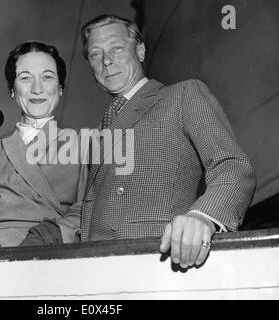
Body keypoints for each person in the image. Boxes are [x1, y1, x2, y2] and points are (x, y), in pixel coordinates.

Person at [21, 15, 257, 269]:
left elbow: (232, 166)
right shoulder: (101, 132)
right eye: (95, 54)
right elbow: (94, 206)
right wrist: (51, 233)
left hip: (157, 261)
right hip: (95, 269)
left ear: (140, 51)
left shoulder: (182, 94)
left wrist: (203, 217)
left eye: (117, 48)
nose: (107, 61)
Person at [0, 41, 86, 249]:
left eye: (47, 77)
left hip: (55, 257)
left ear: (60, 89)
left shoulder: (82, 145)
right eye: (25, 78)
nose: (37, 88)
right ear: (12, 90)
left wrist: (48, 235)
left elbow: (88, 208)